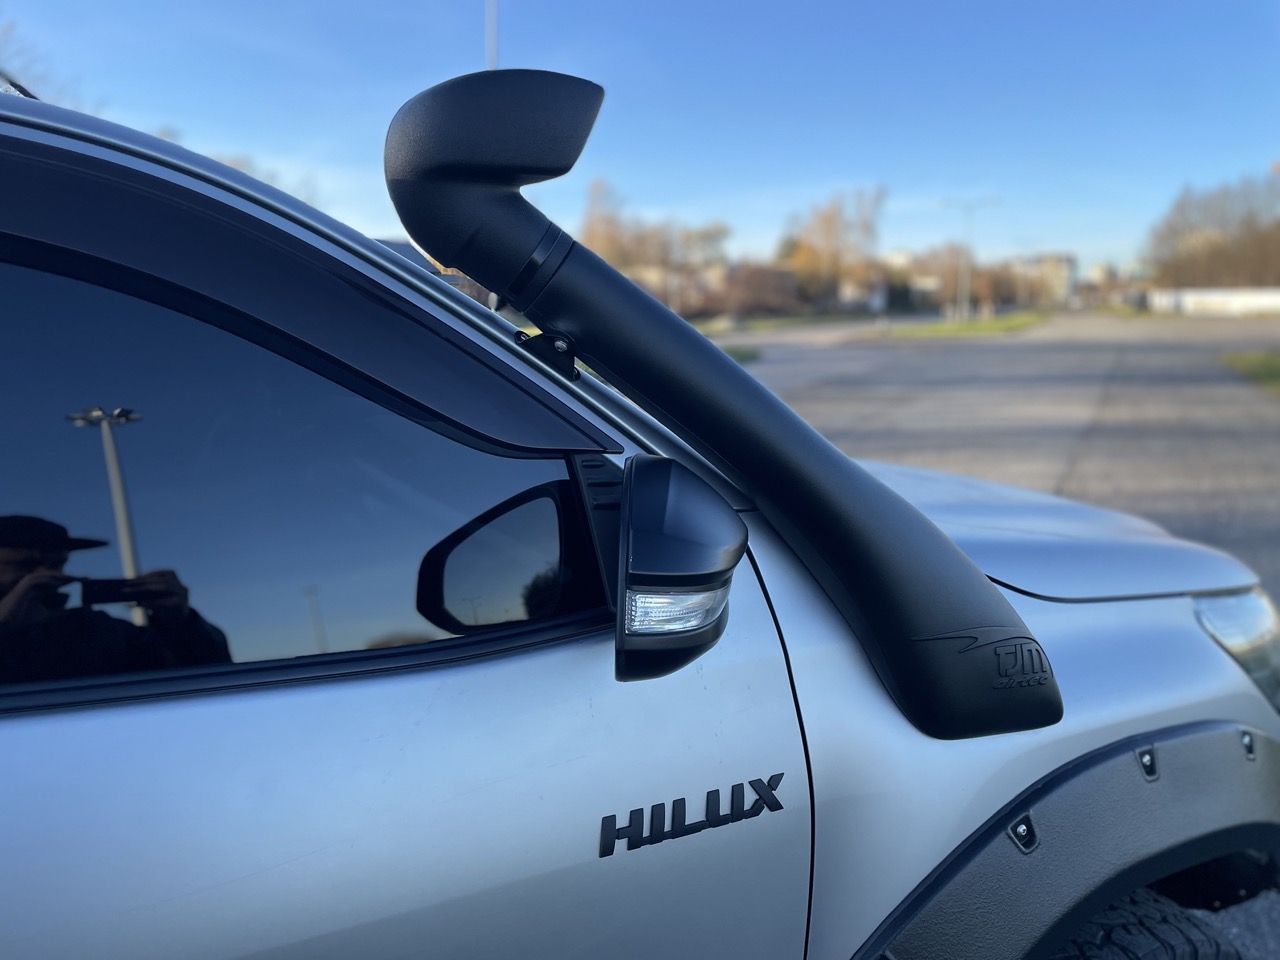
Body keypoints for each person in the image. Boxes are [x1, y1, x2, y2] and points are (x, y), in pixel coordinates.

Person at [0, 515, 230, 683]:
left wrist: (179, 622)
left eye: (56, 564)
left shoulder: (95, 630)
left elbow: (208, 677)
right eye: (24, 565)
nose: (45, 575)